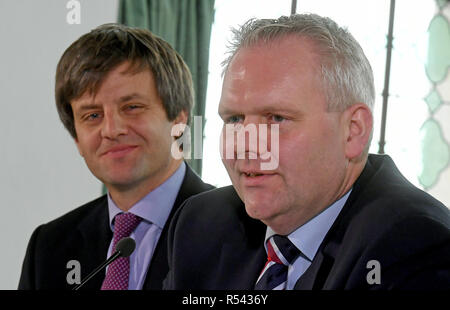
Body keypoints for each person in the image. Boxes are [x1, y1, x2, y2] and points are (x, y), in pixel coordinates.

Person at [164, 14, 450, 290]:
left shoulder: (413, 245)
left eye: (276, 118)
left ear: (353, 131)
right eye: (234, 119)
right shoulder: (201, 222)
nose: (245, 145)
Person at [18, 24, 213, 290]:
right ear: (77, 138)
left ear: (179, 119)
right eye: (92, 116)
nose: (111, 130)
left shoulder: (243, 231)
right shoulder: (49, 247)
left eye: (132, 107)